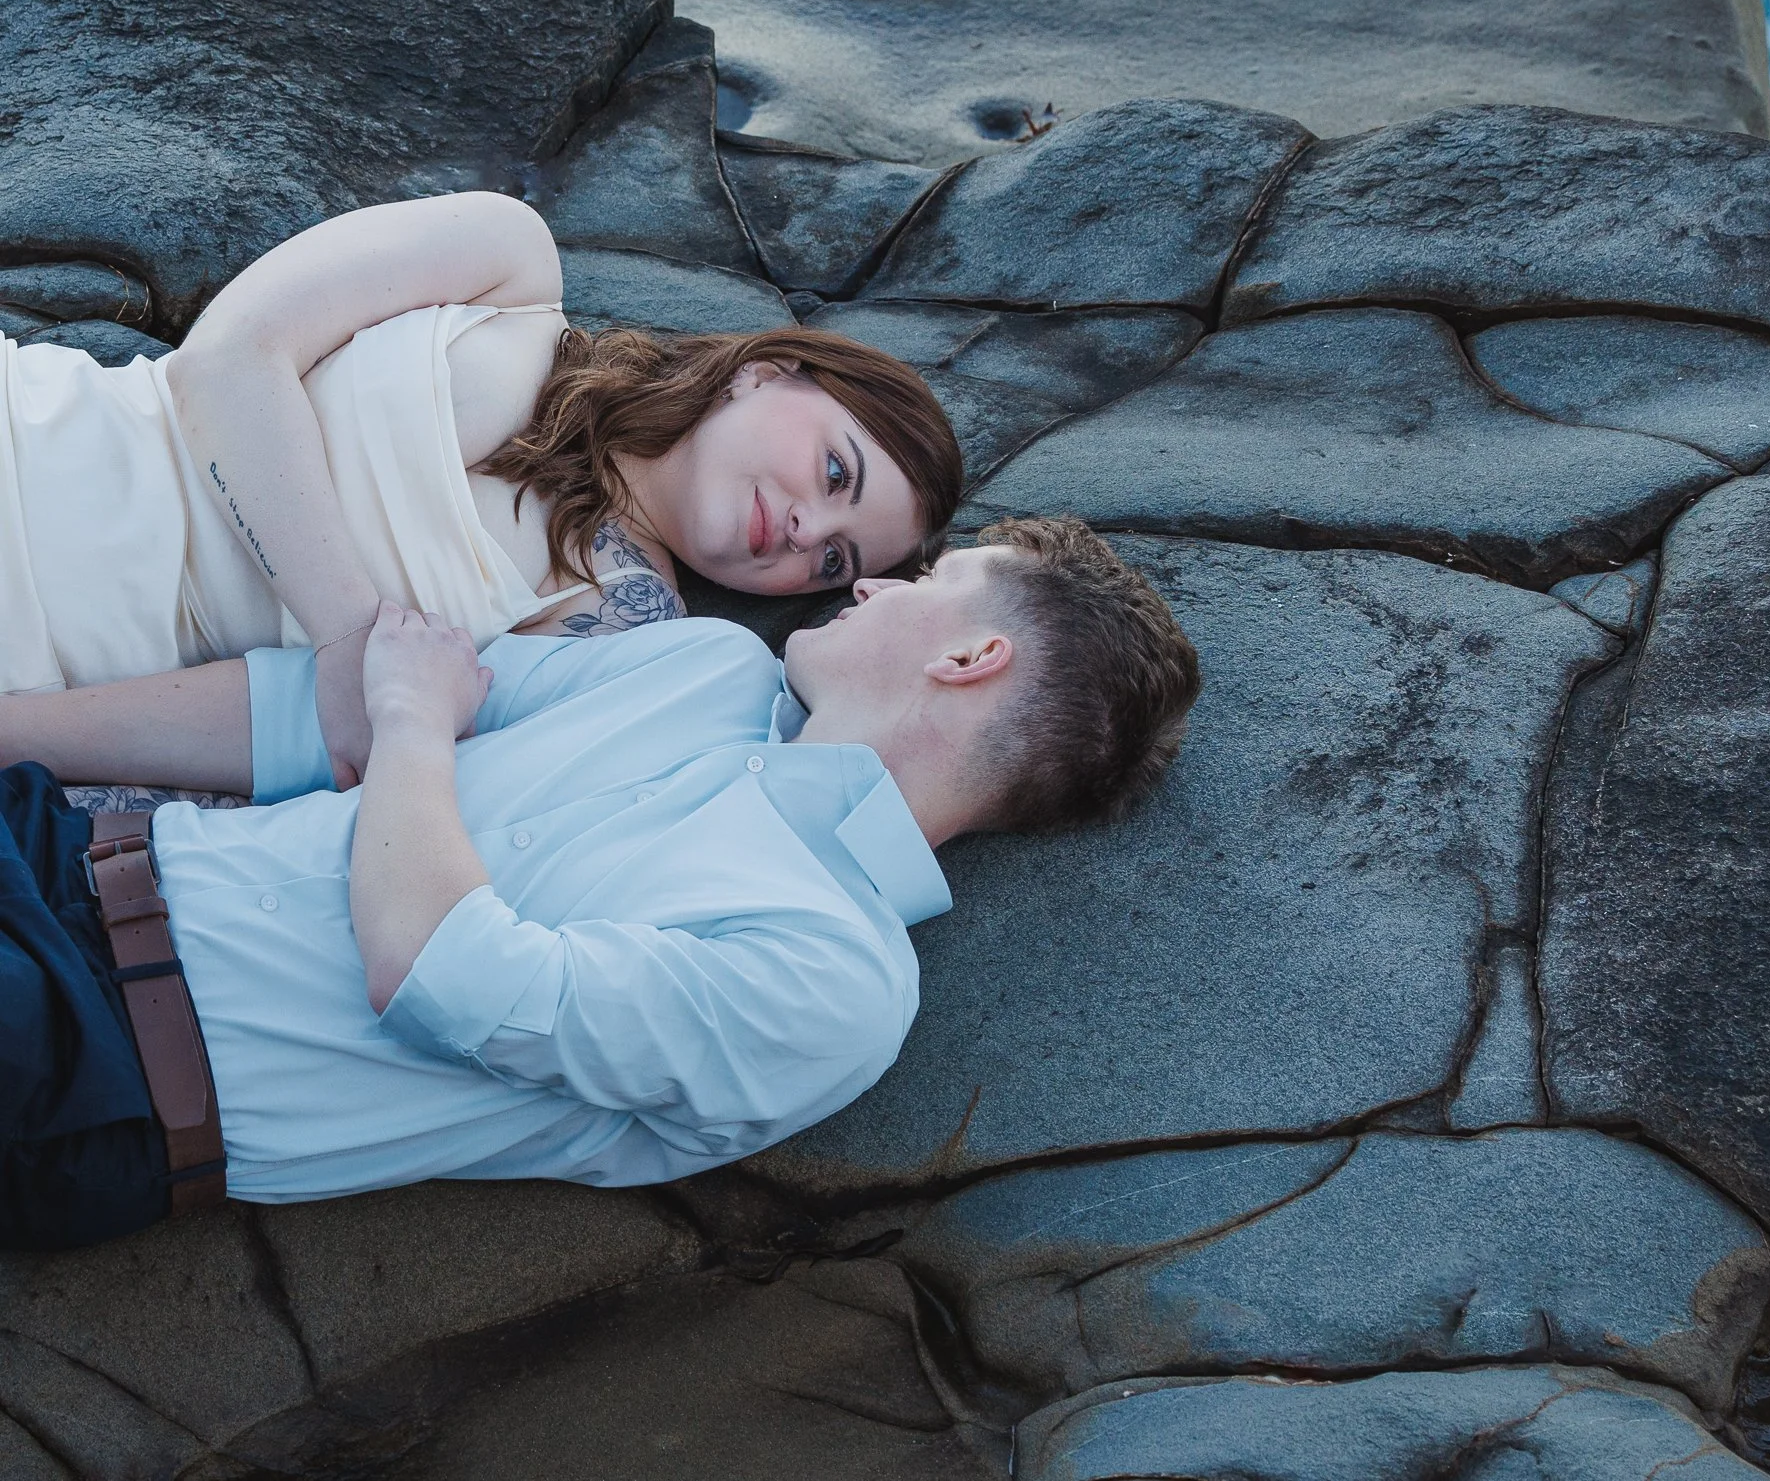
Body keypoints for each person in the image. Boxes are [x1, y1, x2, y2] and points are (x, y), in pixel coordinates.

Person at [0, 518, 1201, 1250]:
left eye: (931, 579)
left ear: (969, 654)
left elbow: (438, 970)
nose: (879, 584)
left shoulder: (831, 976)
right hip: (57, 849)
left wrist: (417, 726)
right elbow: (321, 707)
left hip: (92, 1063)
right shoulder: (708, 664)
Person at [0, 191, 965, 783]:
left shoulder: (627, 634)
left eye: (834, 559)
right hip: (34, 429)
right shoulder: (509, 264)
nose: (805, 529)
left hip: (41, 650)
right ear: (769, 370)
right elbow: (224, 358)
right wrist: (350, 636)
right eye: (837, 471)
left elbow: (291, 734)